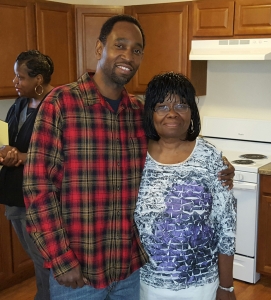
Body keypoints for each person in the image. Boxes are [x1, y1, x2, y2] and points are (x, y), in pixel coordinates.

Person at [22, 15, 235, 300]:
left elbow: (175, 145)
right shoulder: (60, 104)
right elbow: (37, 188)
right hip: (78, 274)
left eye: (136, 50)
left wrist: (218, 165)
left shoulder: (139, 113)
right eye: (119, 45)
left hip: (129, 272)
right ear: (100, 48)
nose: (128, 56)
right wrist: (60, 259)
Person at [134, 72, 237, 300]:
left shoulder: (210, 158)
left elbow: (226, 227)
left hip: (200, 288)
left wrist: (227, 287)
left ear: (192, 111)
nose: (172, 113)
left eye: (181, 104)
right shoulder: (135, 155)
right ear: (150, 112)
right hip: (142, 285)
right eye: (161, 106)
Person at [0, 50, 54, 300]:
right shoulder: (19, 103)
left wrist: (19, 156)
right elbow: (7, 138)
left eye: (20, 77)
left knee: (45, 260)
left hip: (38, 199)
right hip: (14, 194)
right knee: (35, 258)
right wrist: (4, 149)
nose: (15, 82)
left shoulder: (55, 106)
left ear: (39, 79)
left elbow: (58, 156)